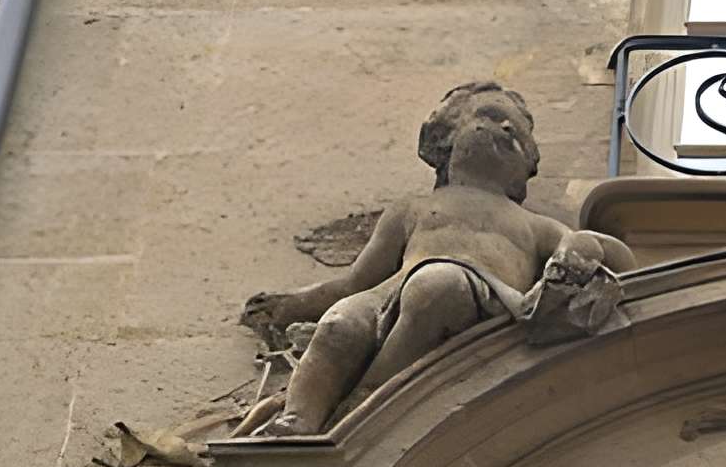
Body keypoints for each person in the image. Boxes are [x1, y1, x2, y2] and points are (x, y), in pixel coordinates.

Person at [238, 80, 635, 435]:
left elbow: (611, 257)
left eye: (520, 132)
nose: (509, 129)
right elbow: (357, 281)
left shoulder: (532, 225)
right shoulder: (412, 209)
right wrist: (291, 304)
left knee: (437, 286)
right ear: (445, 140)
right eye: (492, 117)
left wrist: (586, 246)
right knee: (341, 322)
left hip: (481, 294)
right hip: (393, 293)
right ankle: (299, 418)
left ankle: (367, 399)